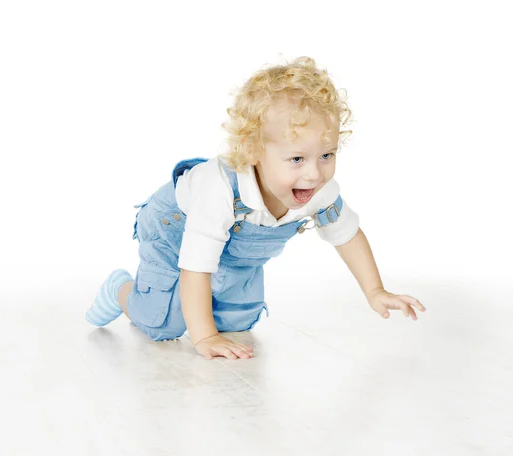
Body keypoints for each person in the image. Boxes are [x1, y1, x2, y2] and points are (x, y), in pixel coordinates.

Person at [85, 56, 426, 360]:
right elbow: (195, 267)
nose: (314, 173)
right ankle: (123, 291)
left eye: (327, 155)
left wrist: (375, 290)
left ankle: (203, 308)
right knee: (164, 323)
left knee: (238, 321)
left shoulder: (319, 189)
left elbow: (347, 236)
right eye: (296, 159)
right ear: (252, 153)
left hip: (230, 252)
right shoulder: (217, 190)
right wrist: (205, 338)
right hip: (173, 232)